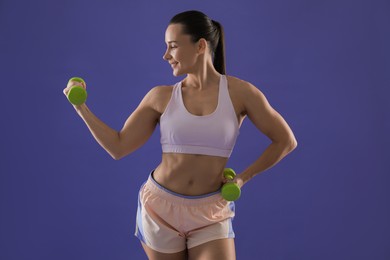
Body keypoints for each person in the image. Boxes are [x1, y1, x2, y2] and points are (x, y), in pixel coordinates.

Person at [63, 10, 297, 260]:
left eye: (173, 47)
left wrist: (241, 179)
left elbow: (285, 141)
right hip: (160, 209)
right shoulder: (160, 97)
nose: (166, 55)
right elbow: (118, 147)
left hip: (210, 211)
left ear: (201, 46)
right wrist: (81, 107)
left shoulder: (241, 93)